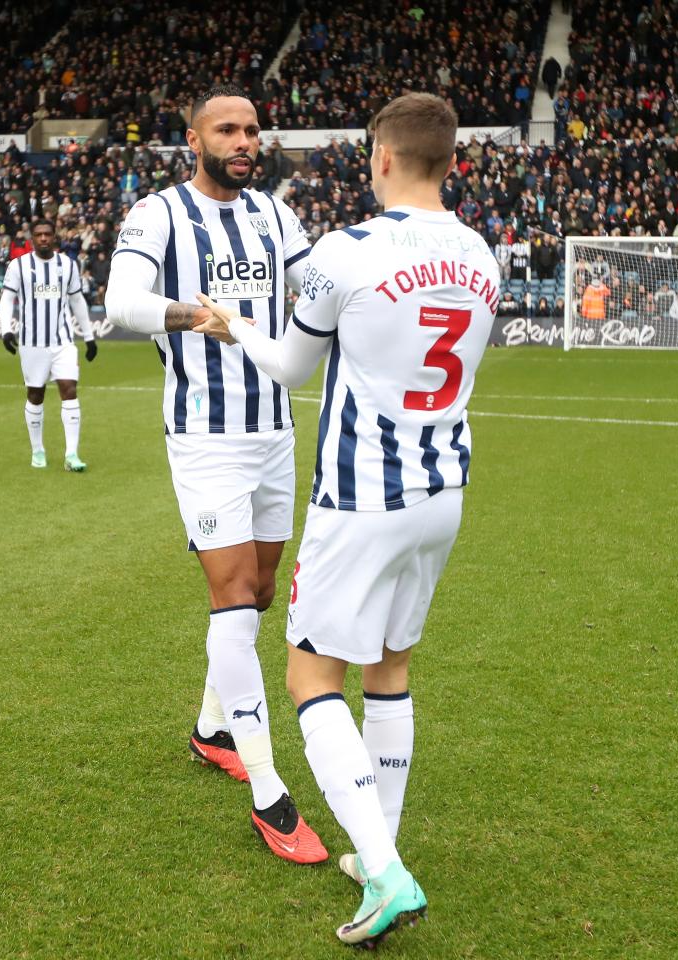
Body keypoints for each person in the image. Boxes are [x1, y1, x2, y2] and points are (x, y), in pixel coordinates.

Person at [195, 91, 497, 949]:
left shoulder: (345, 250)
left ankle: (388, 871)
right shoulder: (483, 252)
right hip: (445, 491)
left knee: (309, 679)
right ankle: (380, 851)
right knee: (391, 669)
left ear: (386, 158)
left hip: (364, 496)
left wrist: (234, 325)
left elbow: (291, 367)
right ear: (450, 161)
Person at [104, 84, 326, 865]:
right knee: (232, 597)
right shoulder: (157, 213)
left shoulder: (276, 213)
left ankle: (208, 731)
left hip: (275, 432)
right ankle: (270, 792)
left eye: (252, 130)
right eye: (227, 129)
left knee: (260, 593)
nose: (243, 141)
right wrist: (195, 316)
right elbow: (120, 301)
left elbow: (316, 286)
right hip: (205, 438)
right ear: (192, 138)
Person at [0, 219, 97, 472]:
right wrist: (7, 330)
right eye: (39, 234)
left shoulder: (68, 265)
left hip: (63, 341)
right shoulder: (18, 266)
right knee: (35, 395)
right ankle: (38, 450)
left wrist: (88, 336)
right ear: (32, 238)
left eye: (47, 234)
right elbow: (7, 298)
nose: (43, 238)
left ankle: (72, 454)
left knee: (69, 389)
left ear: (55, 237)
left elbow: (77, 301)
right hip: (32, 343)